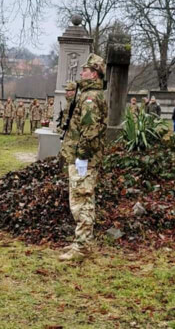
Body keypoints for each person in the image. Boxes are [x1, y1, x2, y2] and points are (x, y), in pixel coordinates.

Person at [60, 54, 108, 262]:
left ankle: (82, 247)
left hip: (84, 159)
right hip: (83, 156)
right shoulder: (89, 94)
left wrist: (82, 156)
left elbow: (89, 130)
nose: (81, 73)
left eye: (85, 70)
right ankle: (81, 242)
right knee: (81, 200)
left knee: (82, 201)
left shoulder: (90, 97)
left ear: (94, 73)